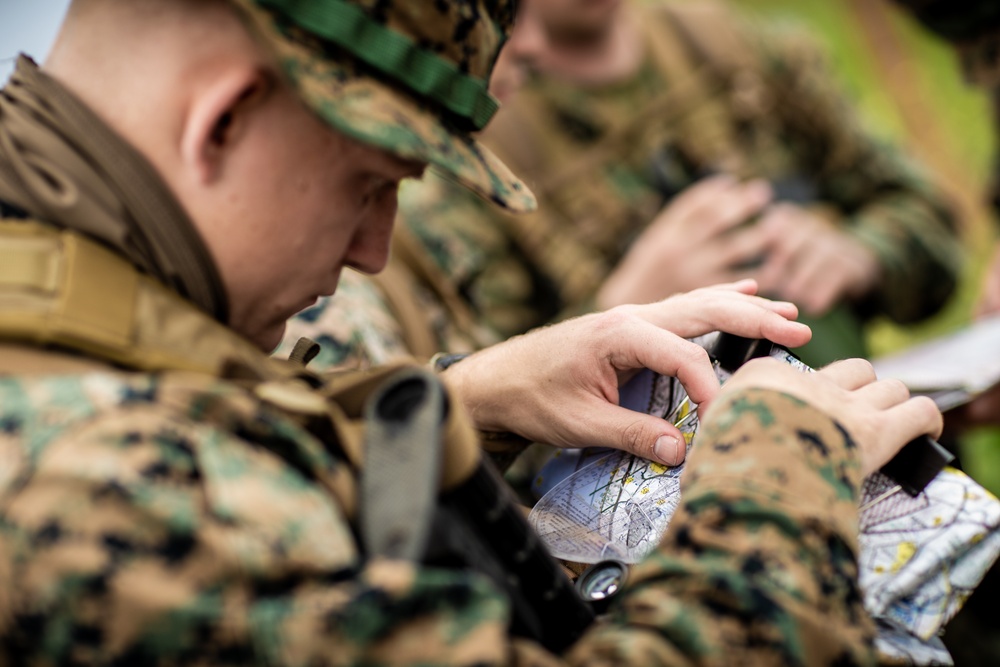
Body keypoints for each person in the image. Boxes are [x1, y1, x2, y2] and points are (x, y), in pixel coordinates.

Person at [0, 0, 942, 664]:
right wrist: (779, 471)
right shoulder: (96, 481)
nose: (374, 249)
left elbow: (197, 403)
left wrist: (460, 398)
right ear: (224, 120)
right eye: (369, 183)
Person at [395, 0, 963, 368]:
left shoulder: (737, 48)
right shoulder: (471, 156)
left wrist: (862, 252)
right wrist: (620, 312)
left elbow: (937, 227)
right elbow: (474, 420)